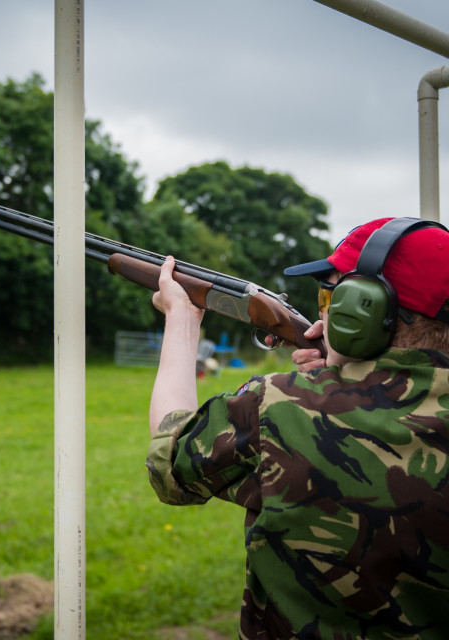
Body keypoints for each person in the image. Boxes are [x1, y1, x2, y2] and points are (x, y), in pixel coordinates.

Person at [146, 217, 449, 640]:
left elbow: (170, 459)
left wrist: (182, 318)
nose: (322, 309)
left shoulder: (278, 406)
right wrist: (348, 375)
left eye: (330, 293)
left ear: (359, 310)